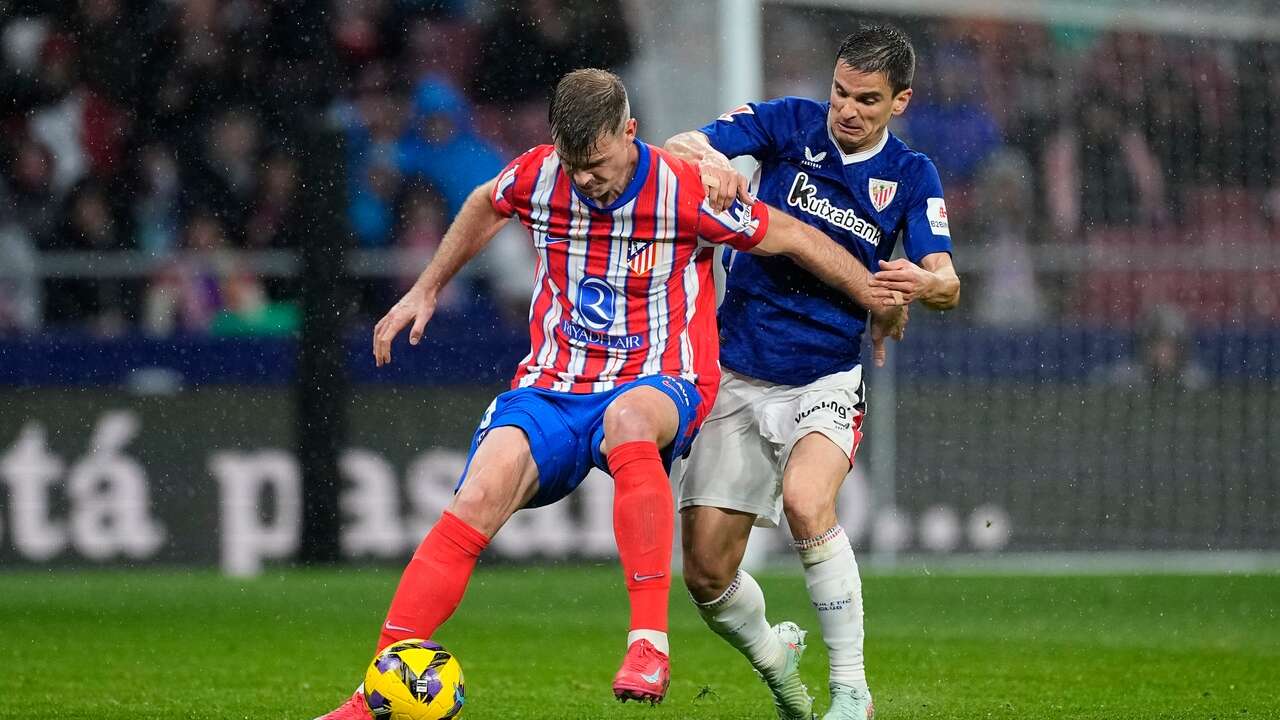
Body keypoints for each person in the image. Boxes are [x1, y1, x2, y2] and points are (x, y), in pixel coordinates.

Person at [316, 67, 903, 720]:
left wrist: (875, 296)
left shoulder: (685, 189)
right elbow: (486, 200)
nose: (586, 179)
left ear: (629, 133)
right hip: (554, 382)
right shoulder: (542, 174)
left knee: (627, 419)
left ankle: (648, 643)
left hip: (662, 377)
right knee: (477, 494)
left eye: (596, 163)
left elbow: (792, 235)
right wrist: (426, 286)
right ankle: (374, 694)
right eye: (575, 164)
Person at [664, 23, 960, 720]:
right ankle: (775, 652)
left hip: (824, 379)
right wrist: (713, 161)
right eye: (839, 92)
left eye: (866, 99)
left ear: (900, 102)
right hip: (735, 369)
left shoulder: (913, 177)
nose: (846, 110)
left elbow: (949, 281)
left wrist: (923, 283)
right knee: (707, 575)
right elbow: (684, 144)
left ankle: (852, 691)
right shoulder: (789, 123)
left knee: (806, 502)